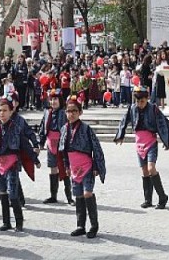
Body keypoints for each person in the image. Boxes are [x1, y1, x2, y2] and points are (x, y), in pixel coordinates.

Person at [0, 94, 40, 232]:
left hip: (12, 164)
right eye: (0, 110)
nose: (2, 113)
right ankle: (6, 222)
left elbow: (25, 145)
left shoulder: (16, 128)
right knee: (2, 193)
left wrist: (35, 159)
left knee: (13, 194)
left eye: (4, 110)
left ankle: (19, 222)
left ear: (10, 111)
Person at [114, 86, 169, 209]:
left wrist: (166, 140)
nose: (140, 104)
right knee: (144, 171)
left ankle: (162, 197)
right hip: (139, 142)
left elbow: (164, 123)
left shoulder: (153, 109)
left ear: (147, 99)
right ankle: (148, 199)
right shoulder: (132, 108)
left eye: (142, 101)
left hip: (151, 141)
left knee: (151, 168)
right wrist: (120, 135)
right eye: (138, 101)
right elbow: (124, 121)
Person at [59, 96, 106, 239]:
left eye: (74, 111)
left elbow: (96, 148)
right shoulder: (64, 129)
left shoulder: (86, 129)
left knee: (87, 194)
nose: (71, 114)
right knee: (78, 196)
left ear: (80, 112)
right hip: (74, 168)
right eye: (68, 111)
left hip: (87, 167)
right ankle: (81, 225)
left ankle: (93, 225)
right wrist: (66, 166)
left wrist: (97, 166)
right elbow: (63, 151)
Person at [39, 89, 74, 205]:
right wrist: (40, 143)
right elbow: (42, 128)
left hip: (62, 144)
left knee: (64, 169)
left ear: (60, 101)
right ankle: (53, 195)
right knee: (53, 169)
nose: (53, 102)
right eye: (51, 99)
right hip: (50, 144)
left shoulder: (64, 113)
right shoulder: (47, 113)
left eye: (56, 99)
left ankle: (69, 197)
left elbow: (70, 129)